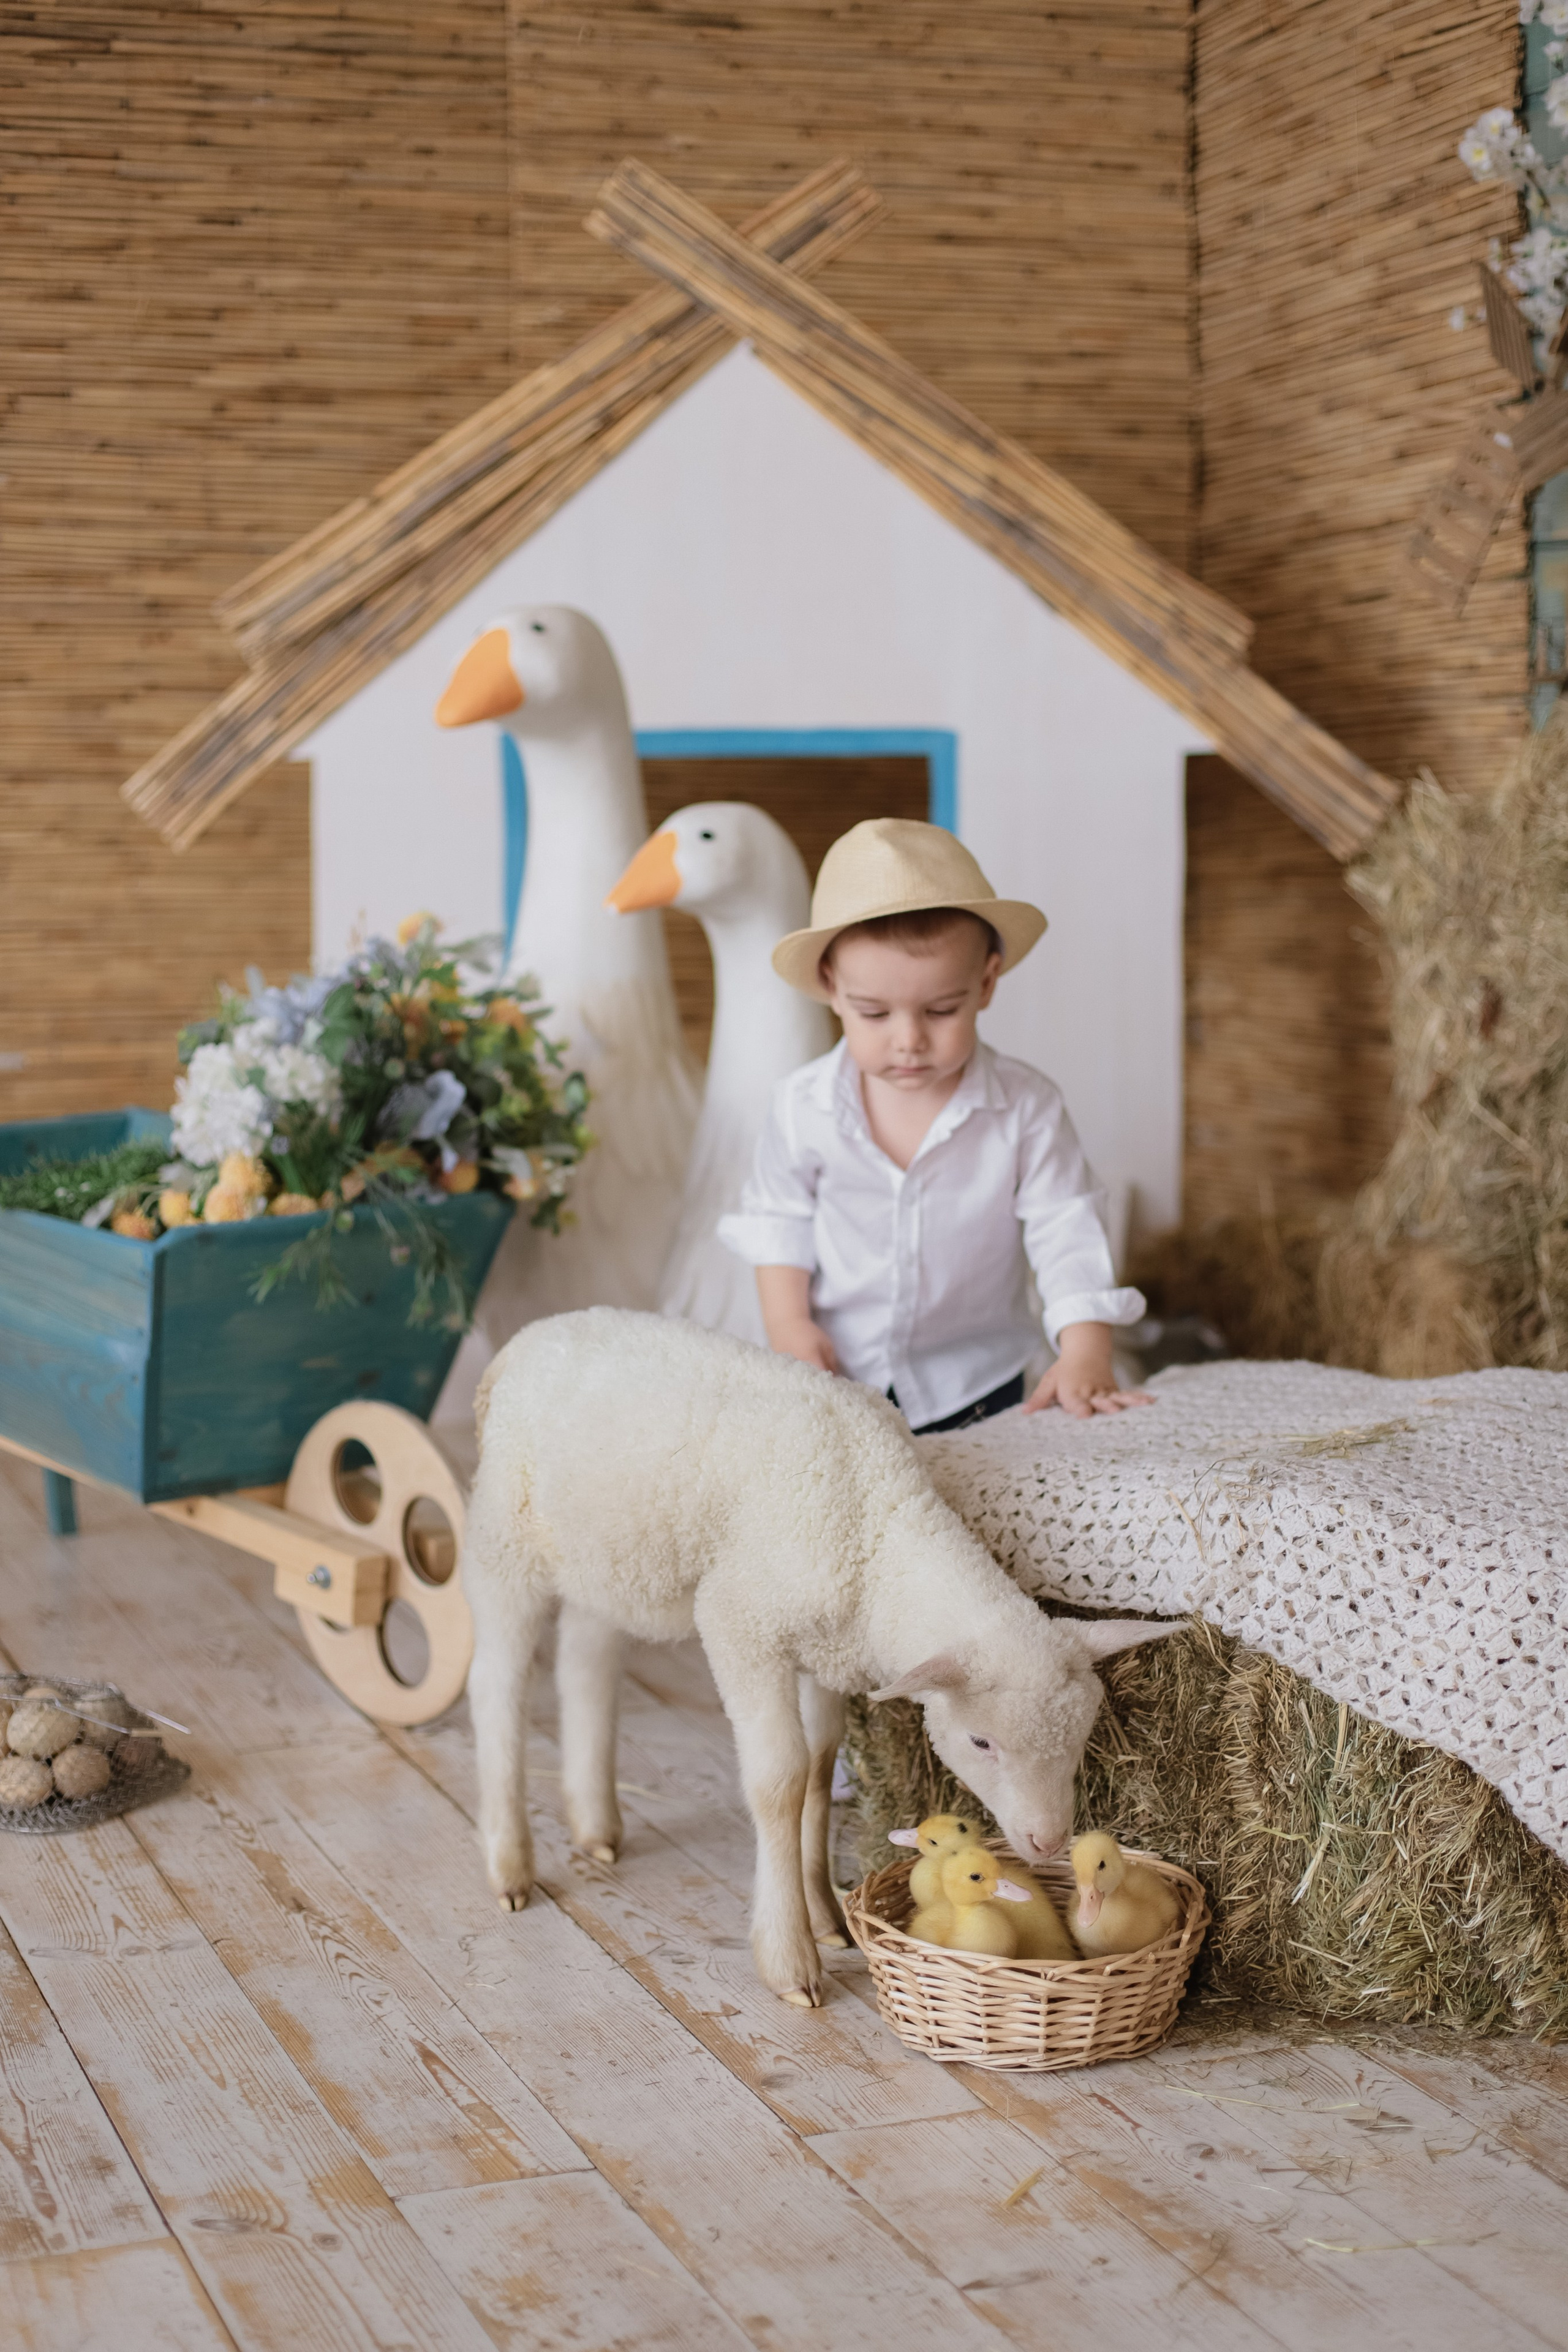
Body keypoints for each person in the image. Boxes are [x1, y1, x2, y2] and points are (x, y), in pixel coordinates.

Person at [717, 818, 1151, 1434]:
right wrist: (790, 1326)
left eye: (941, 1010)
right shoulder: (799, 1106)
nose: (910, 1040)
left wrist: (1084, 1350)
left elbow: (1065, 1226)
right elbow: (778, 1224)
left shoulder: (1026, 1107)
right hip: (839, 1370)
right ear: (831, 989)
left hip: (975, 1379)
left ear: (985, 984)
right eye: (874, 1013)